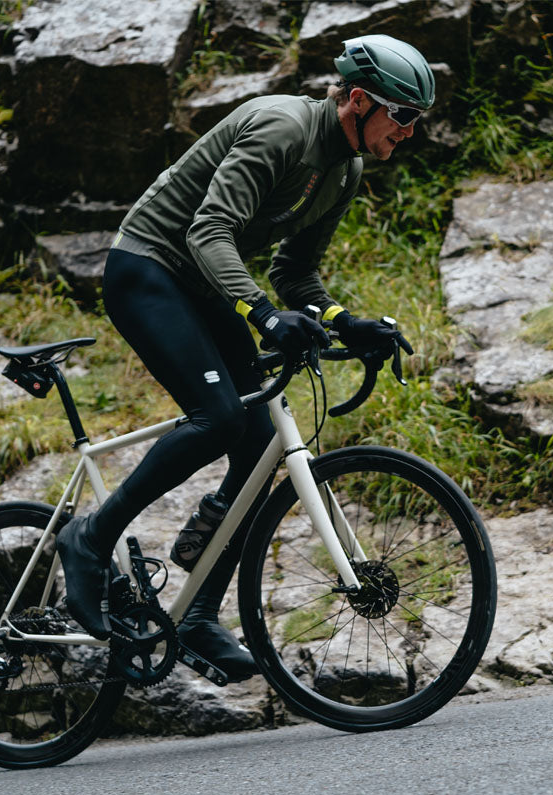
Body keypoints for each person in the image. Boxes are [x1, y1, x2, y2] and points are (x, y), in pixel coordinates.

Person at [55, 34, 433, 681]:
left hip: (204, 288)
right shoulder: (281, 129)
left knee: (260, 444)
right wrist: (261, 316)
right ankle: (88, 539)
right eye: (403, 115)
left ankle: (197, 615)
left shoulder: (346, 169)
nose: (410, 131)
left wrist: (346, 322)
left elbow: (296, 274)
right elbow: (207, 231)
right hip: (149, 267)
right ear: (361, 100)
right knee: (219, 417)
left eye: (418, 121)